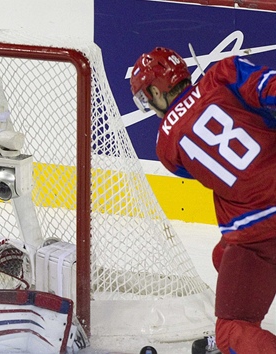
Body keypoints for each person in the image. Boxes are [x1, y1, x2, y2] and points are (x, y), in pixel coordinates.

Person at [130, 47, 276, 353]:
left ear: (156, 90)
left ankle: (241, 336)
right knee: (221, 255)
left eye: (147, 96)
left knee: (230, 331)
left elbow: (207, 173)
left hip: (259, 231)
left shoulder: (165, 146)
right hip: (262, 228)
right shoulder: (225, 73)